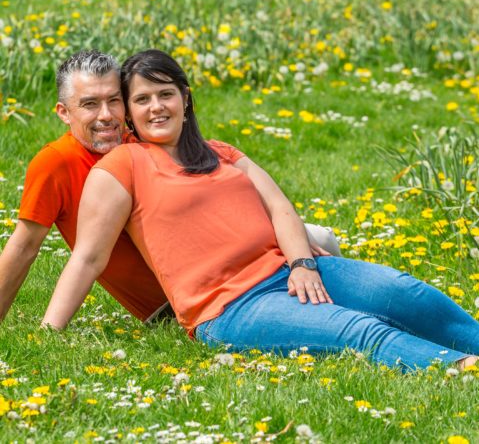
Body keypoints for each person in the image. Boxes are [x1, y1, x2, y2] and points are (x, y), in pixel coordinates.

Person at [42, 49, 479, 374]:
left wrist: (302, 263)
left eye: (164, 94)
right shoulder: (122, 166)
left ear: (186, 98)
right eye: (140, 100)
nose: (155, 107)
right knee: (357, 330)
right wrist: (49, 332)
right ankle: (472, 368)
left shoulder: (220, 151)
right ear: (130, 114)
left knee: (402, 292)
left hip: (286, 271)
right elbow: (88, 257)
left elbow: (280, 207)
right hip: (229, 307)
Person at [0, 49, 338, 324]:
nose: (106, 116)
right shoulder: (56, 163)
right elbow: (25, 248)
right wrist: (48, 332)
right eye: (89, 104)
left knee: (317, 238)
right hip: (179, 300)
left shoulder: (143, 141)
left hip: (222, 267)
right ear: (63, 112)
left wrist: (288, 234)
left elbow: (213, 197)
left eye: (114, 101)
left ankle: (329, 304)